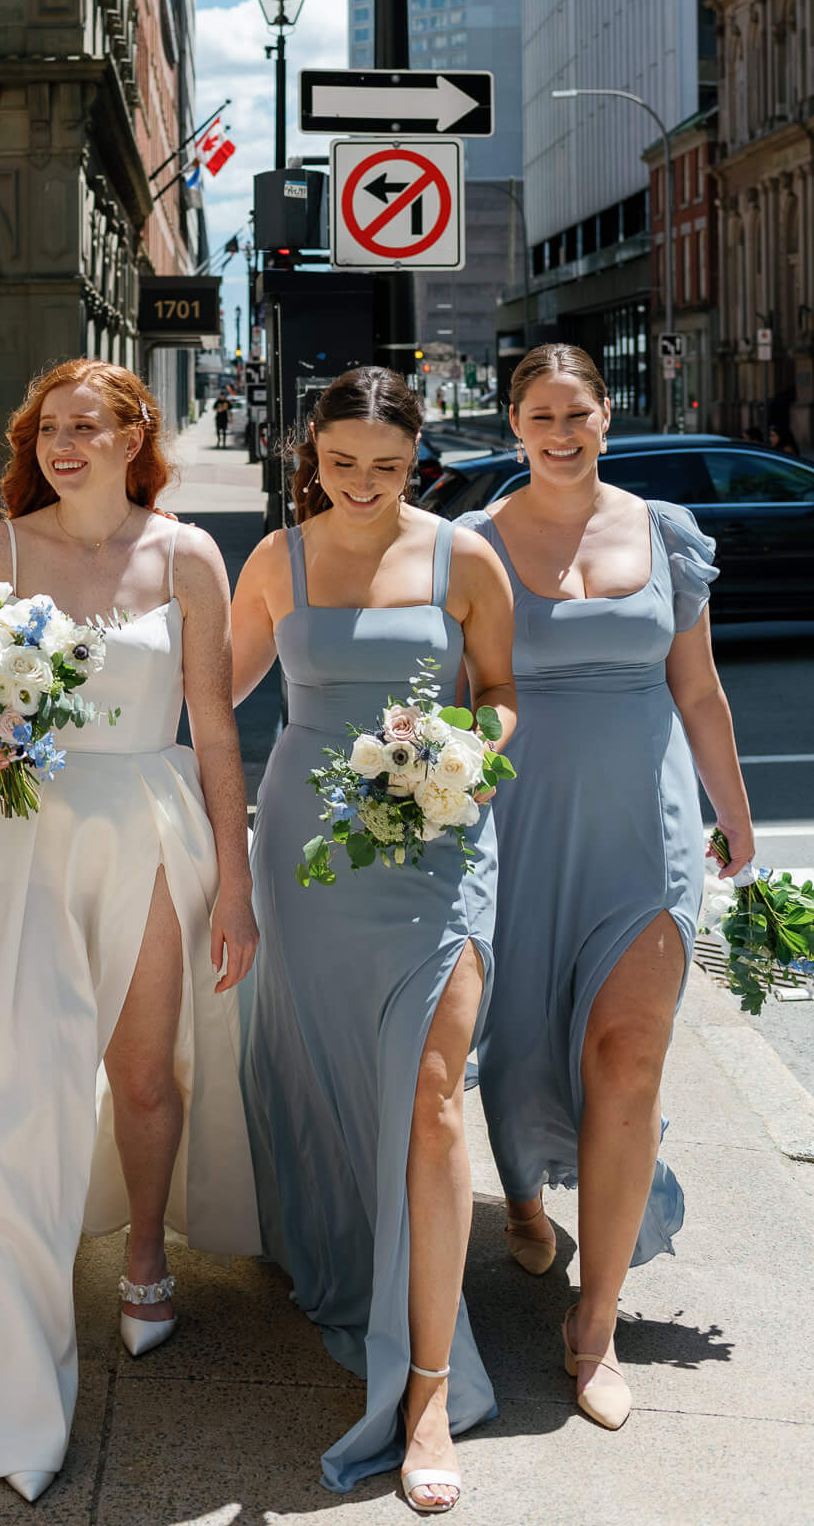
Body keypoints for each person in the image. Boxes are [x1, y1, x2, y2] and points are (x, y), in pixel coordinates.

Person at [0, 361, 260, 1505]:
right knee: (19, 1078)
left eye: (85, 427)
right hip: (26, 829)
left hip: (150, 825)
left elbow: (213, 728)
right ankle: (7, 1321)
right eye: (48, 428)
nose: (63, 444)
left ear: (132, 436)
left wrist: (237, 881)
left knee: (145, 1070)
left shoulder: (186, 554)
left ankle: (146, 1256)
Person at [231, 367, 516, 1513]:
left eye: (387, 467)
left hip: (438, 845)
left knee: (435, 1092)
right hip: (310, 856)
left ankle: (433, 1387)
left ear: (419, 459)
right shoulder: (274, 561)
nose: (362, 485)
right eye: (342, 463)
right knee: (343, 1081)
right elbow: (215, 694)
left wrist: (468, 761)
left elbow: (498, 691)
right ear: (313, 453)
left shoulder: (463, 558)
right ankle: (359, 1262)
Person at [457, 343, 755, 1432]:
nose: (561, 430)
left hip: (648, 830)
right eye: (540, 414)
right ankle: (526, 1204)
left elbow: (702, 688)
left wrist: (732, 810)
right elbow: (455, 691)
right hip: (517, 824)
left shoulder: (663, 530)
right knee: (517, 1033)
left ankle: (596, 1325)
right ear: (515, 422)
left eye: (577, 411)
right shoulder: (474, 544)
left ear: (604, 414)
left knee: (627, 1053)